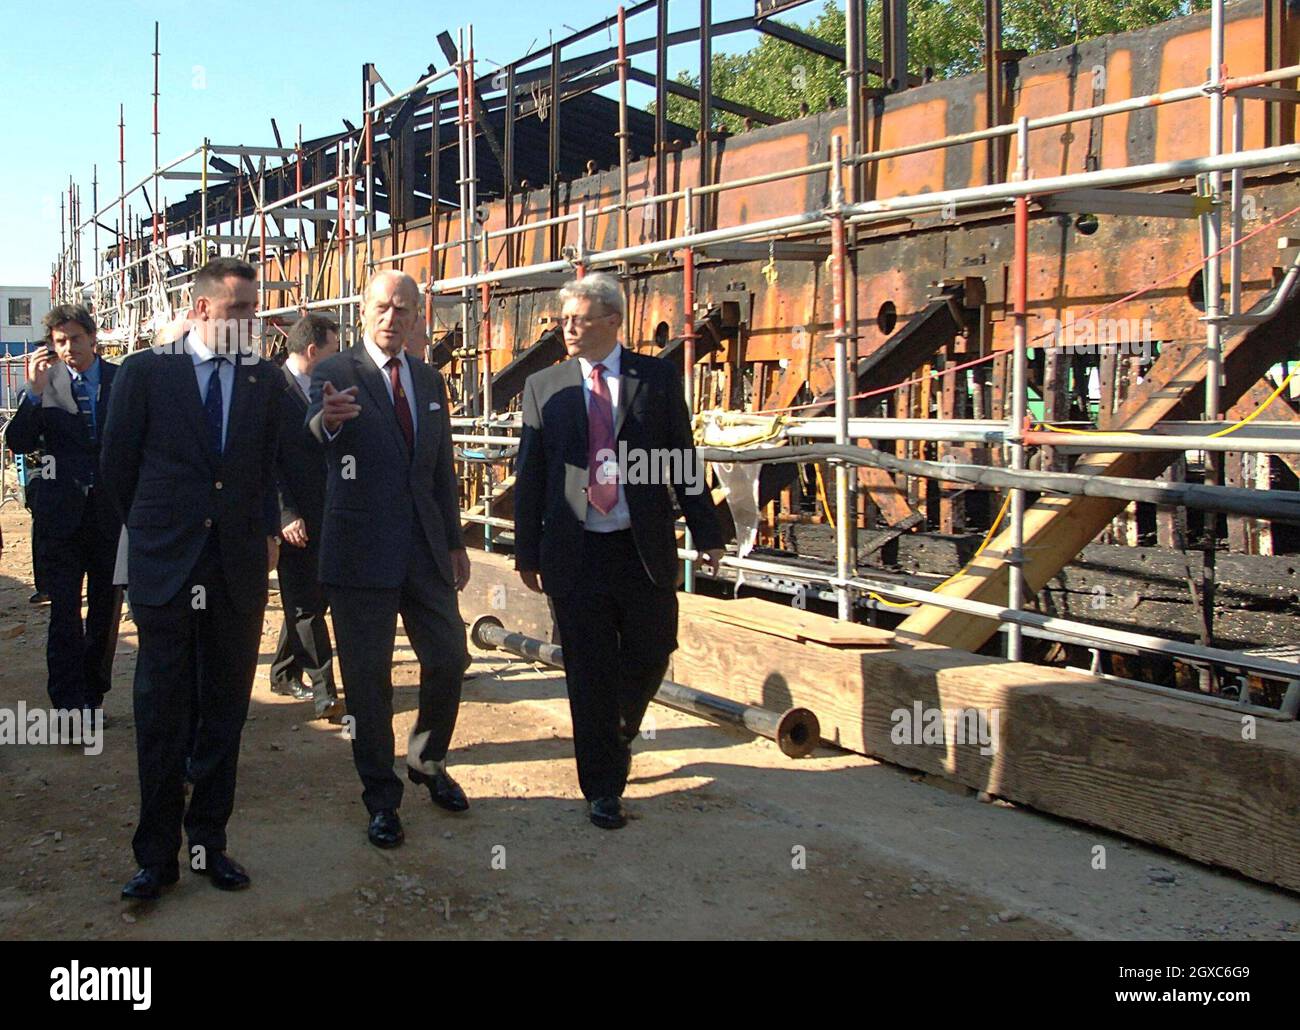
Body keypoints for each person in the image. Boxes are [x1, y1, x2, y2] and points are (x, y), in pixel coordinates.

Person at [514, 272, 724, 830]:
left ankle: (618, 731)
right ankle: (603, 787)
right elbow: (530, 472)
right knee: (587, 672)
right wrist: (526, 552)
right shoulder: (545, 386)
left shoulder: (655, 378)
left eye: (580, 319)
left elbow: (683, 455)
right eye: (564, 319)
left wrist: (707, 533)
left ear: (613, 321)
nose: (569, 328)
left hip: (640, 548)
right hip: (574, 551)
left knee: (654, 648)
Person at [100, 257, 282, 901]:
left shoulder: (262, 381)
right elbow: (117, 468)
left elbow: (278, 460)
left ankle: (209, 844)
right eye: (239, 311)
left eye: (253, 310)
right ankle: (156, 857)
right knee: (160, 713)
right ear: (202, 310)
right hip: (167, 573)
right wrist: (155, 539)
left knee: (224, 714)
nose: (250, 321)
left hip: (234, 576)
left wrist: (329, 421)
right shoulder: (148, 374)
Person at [307, 270, 471, 850]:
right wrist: (326, 422)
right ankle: (381, 799)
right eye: (381, 307)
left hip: (424, 552)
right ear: (362, 310)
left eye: (403, 309)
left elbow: (439, 470)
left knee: (450, 656)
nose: (391, 318)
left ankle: (427, 760)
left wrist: (454, 541)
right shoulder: (333, 374)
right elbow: (313, 431)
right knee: (369, 683)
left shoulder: (428, 378)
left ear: (417, 315)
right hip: (358, 556)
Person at [6, 307, 123, 718]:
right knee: (65, 612)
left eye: (74, 338)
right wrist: (33, 394)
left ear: (93, 338)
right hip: (62, 519)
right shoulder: (46, 385)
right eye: (59, 341)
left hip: (111, 517)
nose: (68, 348)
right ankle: (68, 704)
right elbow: (18, 442)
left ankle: (94, 694)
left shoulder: (120, 380)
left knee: (107, 611)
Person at [270, 313, 344, 721]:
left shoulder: (326, 389)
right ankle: (324, 690)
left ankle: (282, 672)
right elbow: (270, 462)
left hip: (328, 514)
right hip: (293, 519)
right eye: (333, 350)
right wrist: (285, 514)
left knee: (314, 599)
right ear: (313, 351)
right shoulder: (274, 391)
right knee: (304, 606)